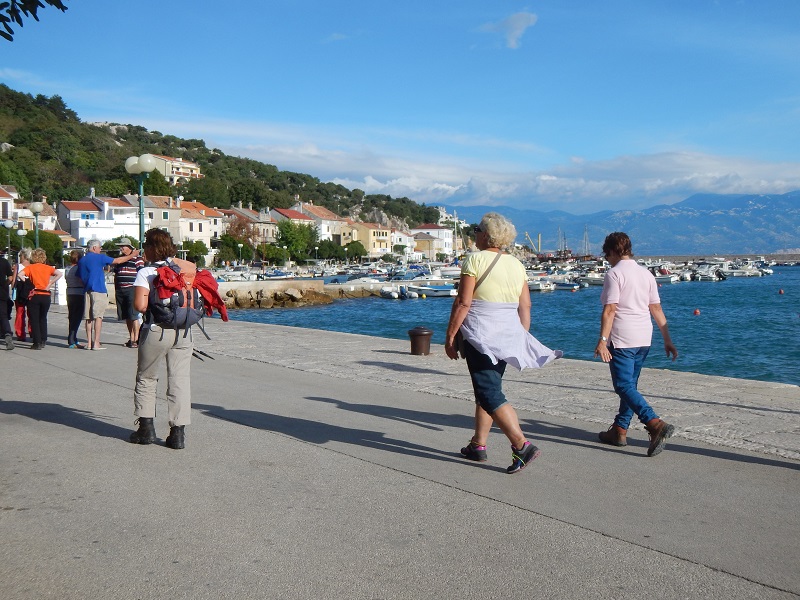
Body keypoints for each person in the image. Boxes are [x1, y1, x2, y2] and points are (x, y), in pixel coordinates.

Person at [445, 212, 562, 474]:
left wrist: (450, 335)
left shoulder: (474, 259)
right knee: (488, 388)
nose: (473, 233)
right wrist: (520, 335)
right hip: (508, 333)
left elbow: (463, 303)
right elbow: (526, 305)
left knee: (489, 392)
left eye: (476, 229)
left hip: (480, 334)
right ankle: (479, 444)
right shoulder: (517, 265)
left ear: (486, 235)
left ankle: (521, 445)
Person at [594, 232, 678, 457]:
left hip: (622, 338)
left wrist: (602, 341)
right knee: (630, 385)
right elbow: (656, 309)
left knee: (623, 386)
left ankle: (654, 423)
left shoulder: (614, 274)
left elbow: (610, 309)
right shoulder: (646, 274)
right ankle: (619, 430)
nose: (607, 259)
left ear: (612, 251)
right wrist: (667, 339)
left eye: (607, 255)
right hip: (644, 338)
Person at [129, 229, 193, 450]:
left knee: (147, 378)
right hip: (184, 330)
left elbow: (140, 306)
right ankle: (178, 435)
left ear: (150, 248)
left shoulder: (146, 272)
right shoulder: (186, 268)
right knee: (180, 379)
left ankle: (146, 430)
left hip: (157, 329)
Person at [76, 239, 140, 350]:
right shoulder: (99, 257)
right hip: (99, 290)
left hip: (87, 291)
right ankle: (96, 343)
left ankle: (89, 343)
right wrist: (133, 255)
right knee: (98, 317)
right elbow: (117, 261)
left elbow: (79, 277)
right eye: (100, 247)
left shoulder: (82, 260)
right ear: (95, 248)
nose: (101, 250)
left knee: (88, 318)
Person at [25, 248, 62, 350]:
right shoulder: (47, 268)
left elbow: (20, 275)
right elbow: (59, 273)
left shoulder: (30, 268)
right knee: (43, 317)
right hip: (46, 295)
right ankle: (43, 339)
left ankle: (37, 342)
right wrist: (50, 283)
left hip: (35, 294)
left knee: (34, 319)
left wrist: (28, 283)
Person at [112, 237, 144, 348]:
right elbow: (116, 274)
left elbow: (141, 274)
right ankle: (131, 338)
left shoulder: (138, 259)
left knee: (133, 315)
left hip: (132, 289)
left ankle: (137, 339)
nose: (121, 249)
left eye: (123, 246)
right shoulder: (120, 259)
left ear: (129, 247)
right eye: (120, 246)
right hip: (121, 290)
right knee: (126, 316)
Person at [65, 249, 86, 348]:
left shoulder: (67, 268)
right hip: (78, 292)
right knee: (77, 317)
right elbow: (81, 280)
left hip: (69, 292)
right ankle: (72, 339)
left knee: (72, 316)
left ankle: (73, 338)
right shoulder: (79, 268)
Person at [10, 248, 32, 342]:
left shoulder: (18, 266)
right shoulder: (32, 266)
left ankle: (20, 333)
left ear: (23, 256)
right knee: (31, 313)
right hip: (30, 289)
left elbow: (14, 280)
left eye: (20, 256)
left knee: (20, 312)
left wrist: (12, 288)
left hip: (20, 291)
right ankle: (32, 331)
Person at [0, 249, 13, 350]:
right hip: (2, 293)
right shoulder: (4, 262)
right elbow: (10, 277)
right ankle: (7, 334)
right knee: (3, 315)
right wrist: (5, 284)